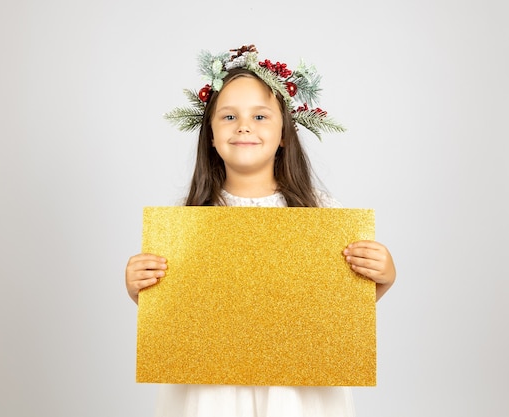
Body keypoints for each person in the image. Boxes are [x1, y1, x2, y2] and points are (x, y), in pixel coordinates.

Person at [125, 45, 396, 417]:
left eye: (261, 116)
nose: (245, 126)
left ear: (284, 133)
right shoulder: (187, 222)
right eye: (229, 116)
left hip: (296, 389)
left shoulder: (319, 214)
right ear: (210, 135)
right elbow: (182, 312)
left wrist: (383, 276)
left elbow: (337, 305)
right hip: (212, 387)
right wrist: (141, 289)